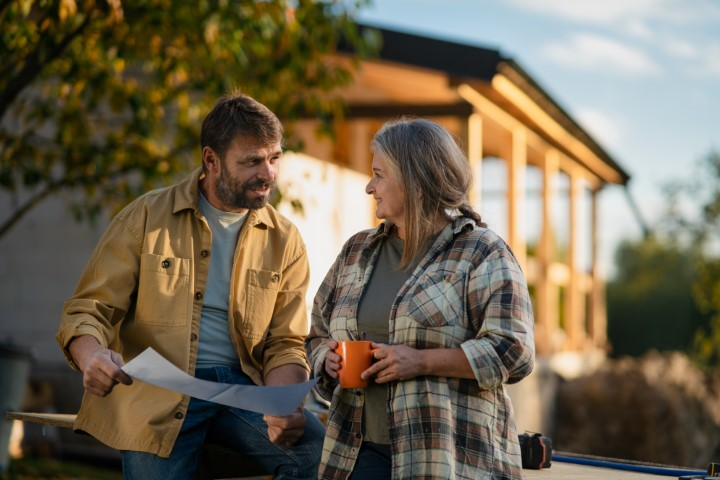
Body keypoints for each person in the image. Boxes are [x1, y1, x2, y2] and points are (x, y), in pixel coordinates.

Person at [56, 92, 325, 479]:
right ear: (211, 160)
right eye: (251, 161)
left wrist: (286, 405)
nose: (267, 173)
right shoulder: (145, 217)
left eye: (275, 157)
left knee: (322, 459)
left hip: (243, 390)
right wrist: (91, 356)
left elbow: (284, 342)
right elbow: (88, 309)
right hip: (155, 392)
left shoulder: (286, 240)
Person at [305, 117, 535, 479]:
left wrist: (421, 362)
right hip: (356, 451)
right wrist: (326, 360)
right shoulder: (357, 251)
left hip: (450, 461)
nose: (369, 186)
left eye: (379, 174)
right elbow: (317, 334)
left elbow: (514, 351)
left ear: (414, 181)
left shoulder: (481, 252)